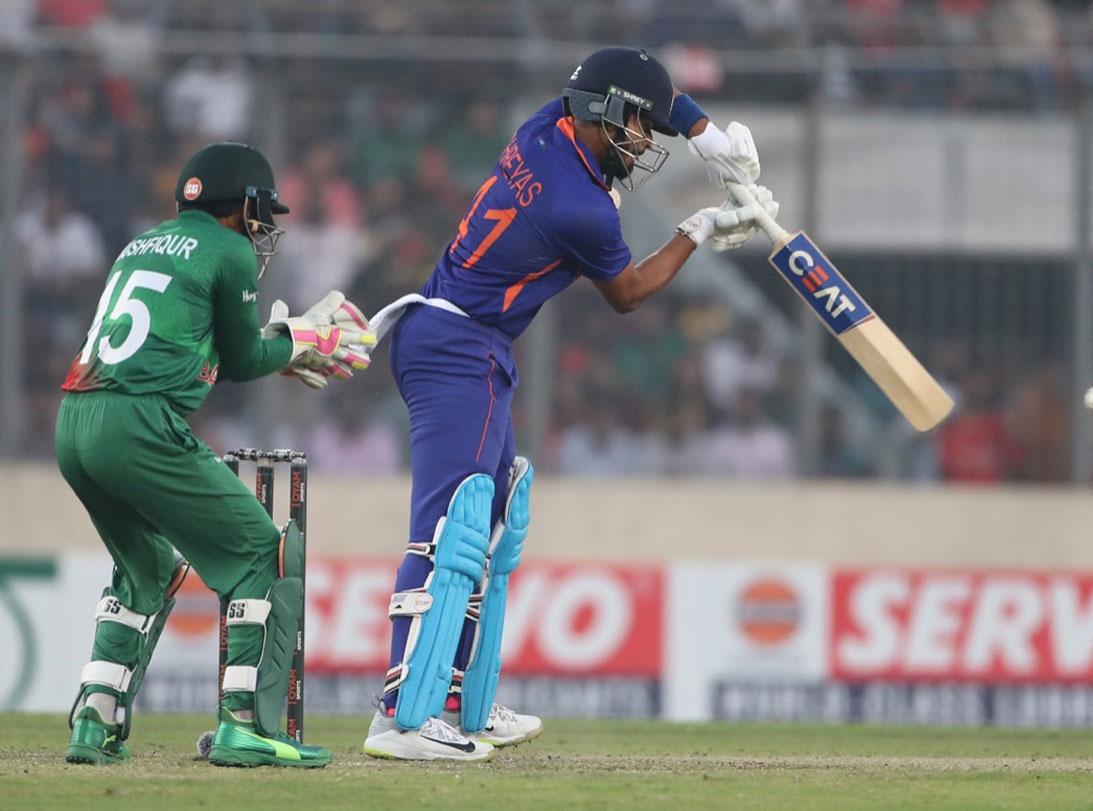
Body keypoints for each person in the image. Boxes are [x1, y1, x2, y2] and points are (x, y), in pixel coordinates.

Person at [363, 46, 777, 762]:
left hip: (463, 342)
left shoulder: (544, 128)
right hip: (459, 350)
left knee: (489, 532)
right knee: (448, 531)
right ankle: (402, 715)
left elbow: (636, 77)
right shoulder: (578, 206)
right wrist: (701, 227)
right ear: (604, 114)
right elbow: (627, 295)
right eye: (639, 126)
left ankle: (460, 701)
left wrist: (704, 137)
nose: (646, 140)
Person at [55, 142, 375, 767]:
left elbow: (208, 357)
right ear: (240, 205)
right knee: (266, 551)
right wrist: (302, 338)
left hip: (75, 422)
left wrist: (282, 347)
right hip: (137, 422)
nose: (262, 229)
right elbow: (247, 359)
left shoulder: (141, 243)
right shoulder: (227, 249)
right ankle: (245, 726)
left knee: (147, 568)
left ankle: (94, 721)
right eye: (260, 214)